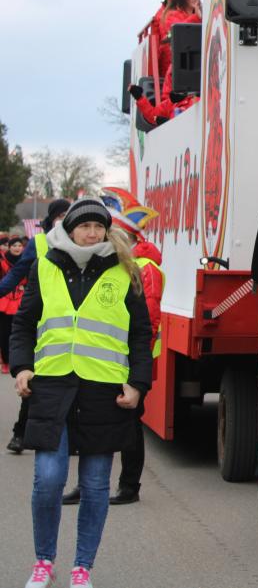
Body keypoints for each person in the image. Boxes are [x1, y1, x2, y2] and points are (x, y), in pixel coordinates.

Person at [10, 198, 152, 588]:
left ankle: (82, 567)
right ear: (70, 229)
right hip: (52, 386)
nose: (92, 233)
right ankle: (44, 561)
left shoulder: (125, 271)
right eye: (84, 226)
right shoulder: (45, 266)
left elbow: (141, 334)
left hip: (104, 390)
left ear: (107, 230)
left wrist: (138, 384)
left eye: (98, 226)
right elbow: (24, 324)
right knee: (48, 479)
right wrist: (22, 367)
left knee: (94, 485)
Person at [64, 197, 163, 507]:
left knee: (130, 422)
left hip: (130, 360)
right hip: (107, 359)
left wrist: (136, 372)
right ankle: (87, 483)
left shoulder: (141, 267)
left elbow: (146, 319)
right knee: (93, 423)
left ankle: (129, 486)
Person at [1, 199, 70, 455]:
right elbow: (16, 273)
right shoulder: (39, 243)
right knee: (35, 379)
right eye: (59, 215)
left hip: (74, 324)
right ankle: (20, 433)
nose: (63, 219)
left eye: (67, 215)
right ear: (51, 219)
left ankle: (70, 437)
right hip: (43, 322)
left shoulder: (84, 242)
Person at [1, 236, 27, 372]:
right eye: (14, 245)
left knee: (20, 333)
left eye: (19, 245)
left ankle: (19, 361)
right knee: (4, 333)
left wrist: (25, 287)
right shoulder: (2, 262)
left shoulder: (27, 261)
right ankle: (6, 361)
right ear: (9, 247)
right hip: (4, 301)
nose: (17, 248)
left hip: (22, 300)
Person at [151, 0, 180, 81]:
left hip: (181, 49)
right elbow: (155, 38)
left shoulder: (185, 6)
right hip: (164, 54)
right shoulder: (159, 13)